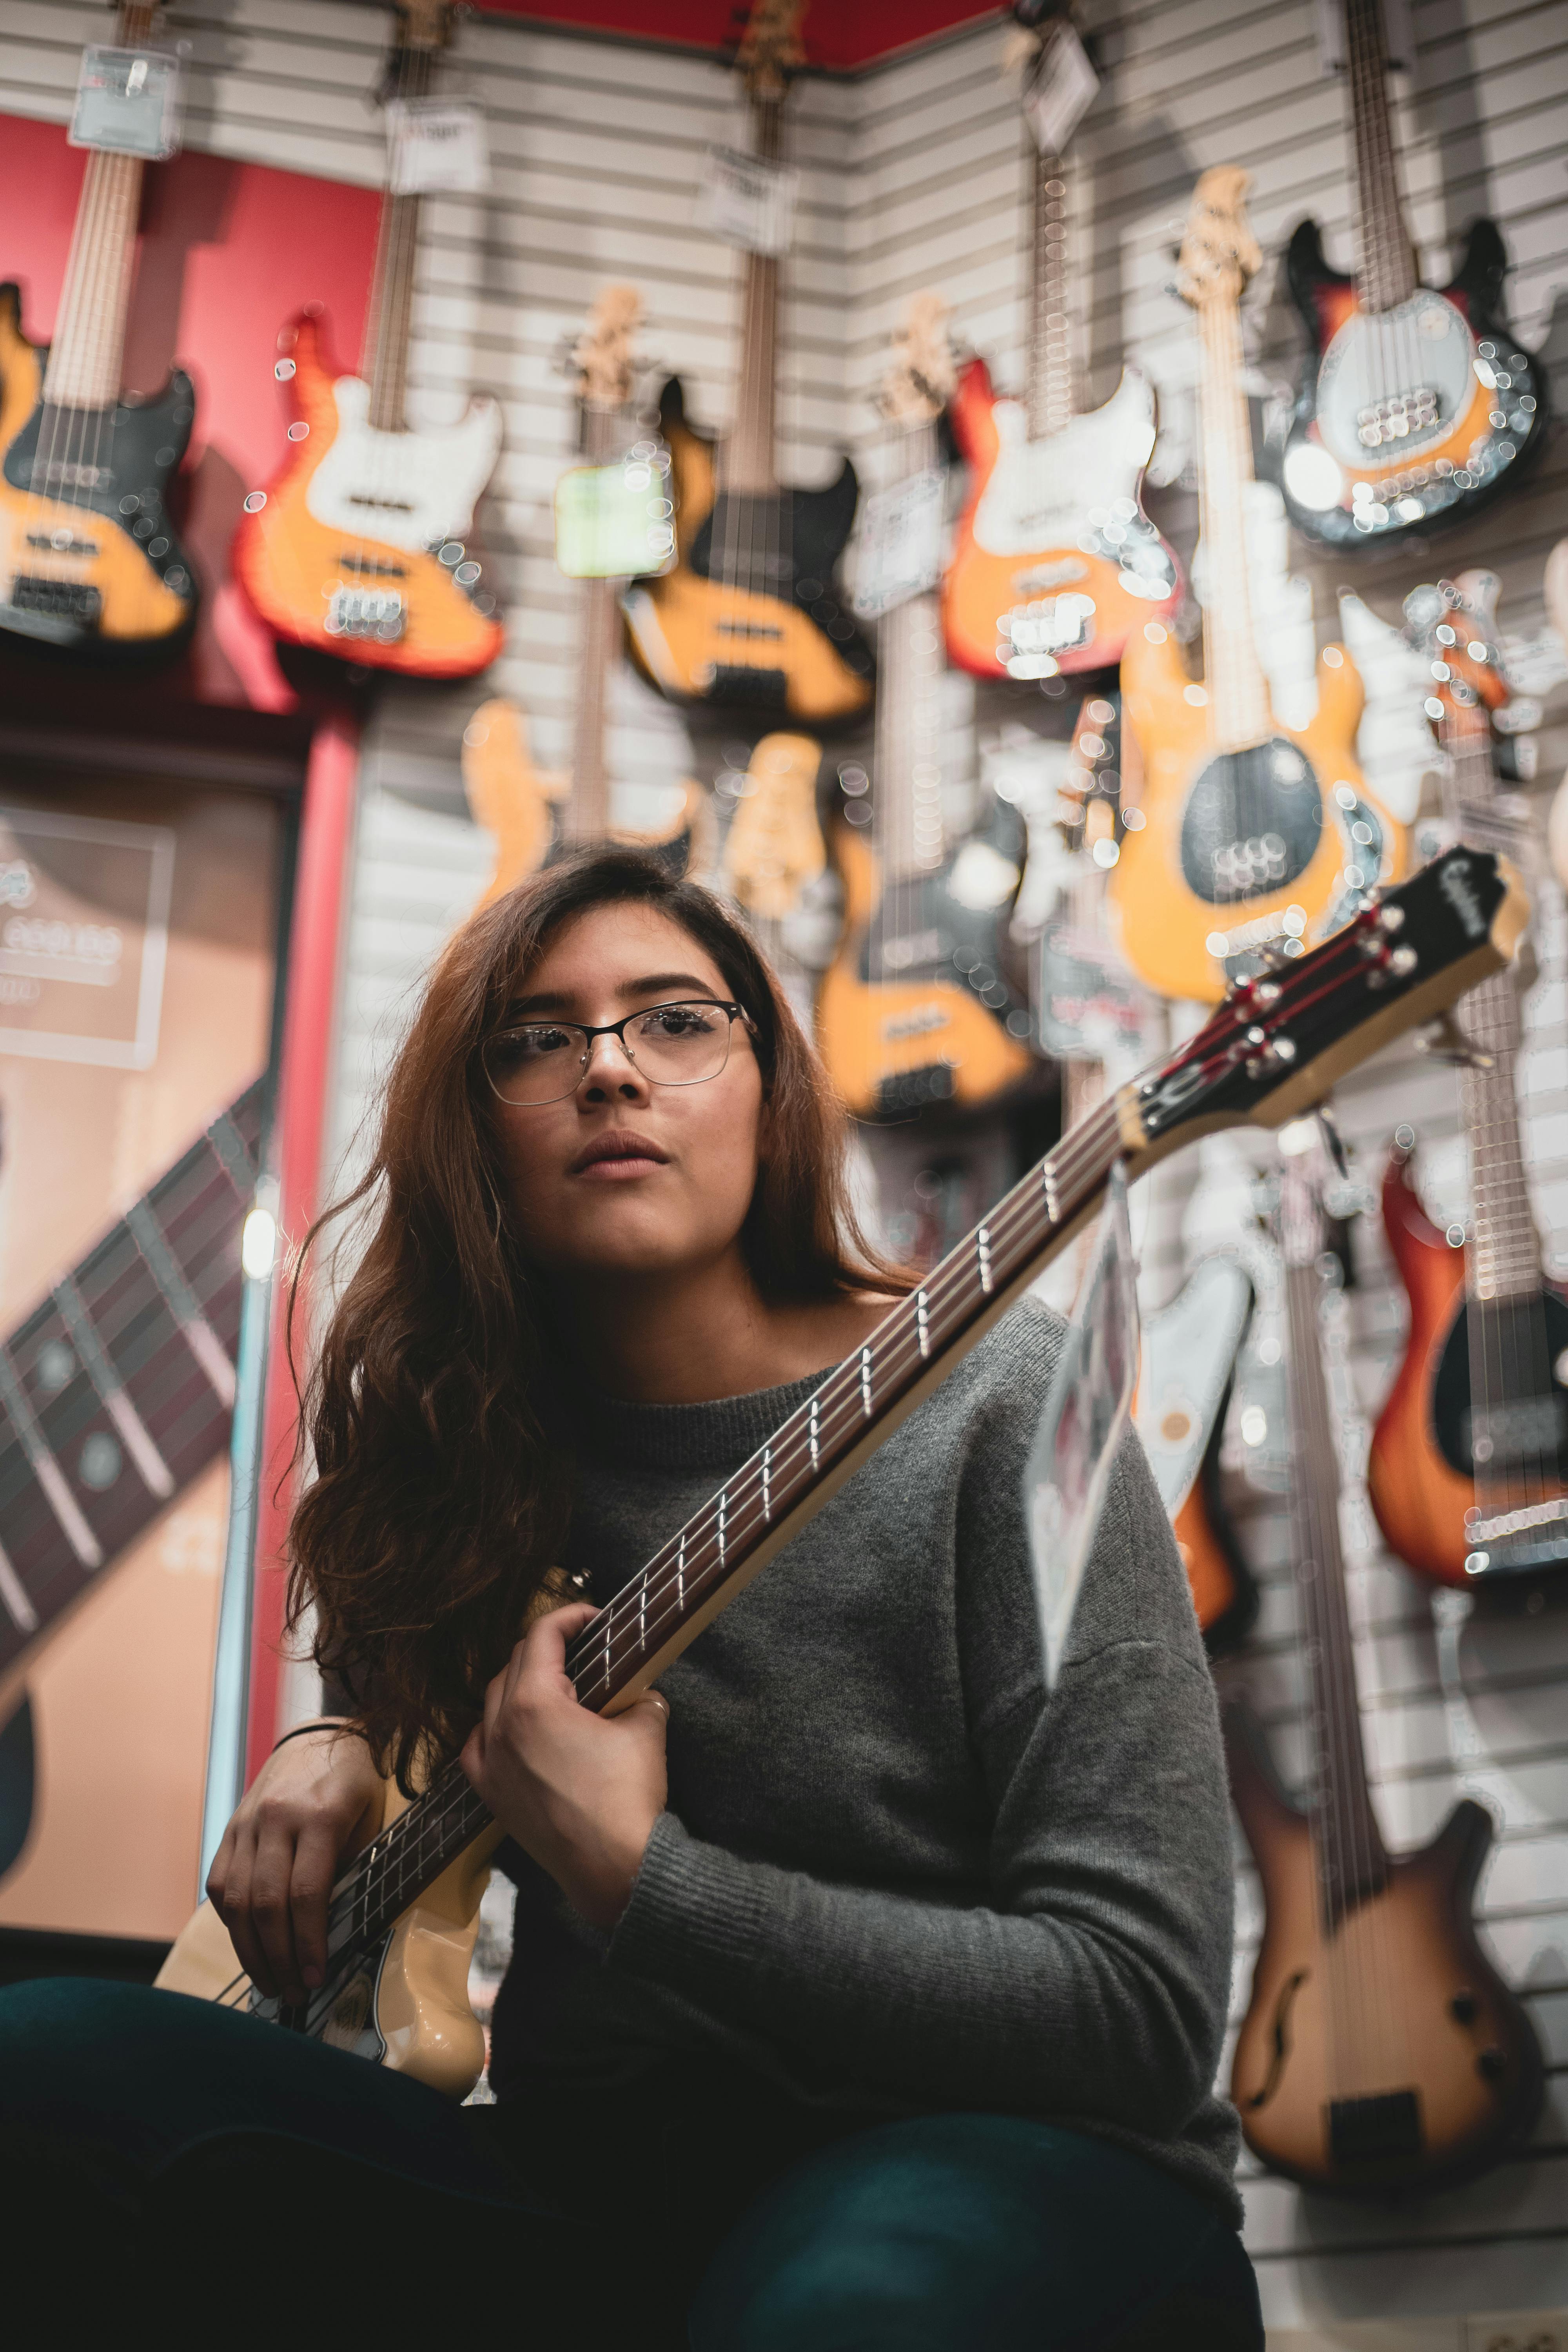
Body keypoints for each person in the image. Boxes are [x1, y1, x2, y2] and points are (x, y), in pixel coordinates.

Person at [0, 848, 1261, 2346]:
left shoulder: (1000, 1400)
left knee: (833, 2314)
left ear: (768, 1083)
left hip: (999, 2164)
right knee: (46, 2076)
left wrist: (637, 1884)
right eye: (540, 1039)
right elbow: (410, 1721)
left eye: (674, 1021)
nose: (612, 1074)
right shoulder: (474, 1451)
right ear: (474, 1132)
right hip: (591, 2188)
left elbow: (1141, 2011)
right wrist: (336, 1739)